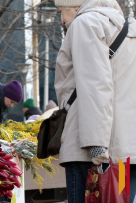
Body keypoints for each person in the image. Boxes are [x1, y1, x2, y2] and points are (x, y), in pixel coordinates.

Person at [54, 0, 136, 202]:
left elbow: (95, 85)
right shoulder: (128, 27)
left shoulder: (86, 23)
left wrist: (96, 144)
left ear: (74, 5)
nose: (61, 20)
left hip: (92, 151)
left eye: (61, 11)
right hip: (124, 154)